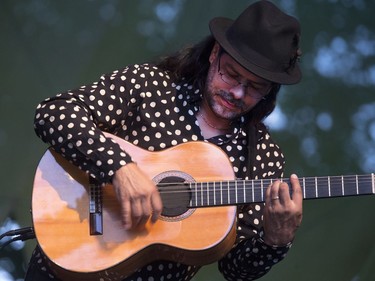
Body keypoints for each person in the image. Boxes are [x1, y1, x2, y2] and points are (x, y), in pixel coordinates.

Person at [26, 1, 303, 280]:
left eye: (255, 88)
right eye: (231, 74)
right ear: (215, 53)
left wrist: (275, 240)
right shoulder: (150, 85)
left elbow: (235, 270)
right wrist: (120, 169)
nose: (238, 93)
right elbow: (54, 113)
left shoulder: (264, 157)